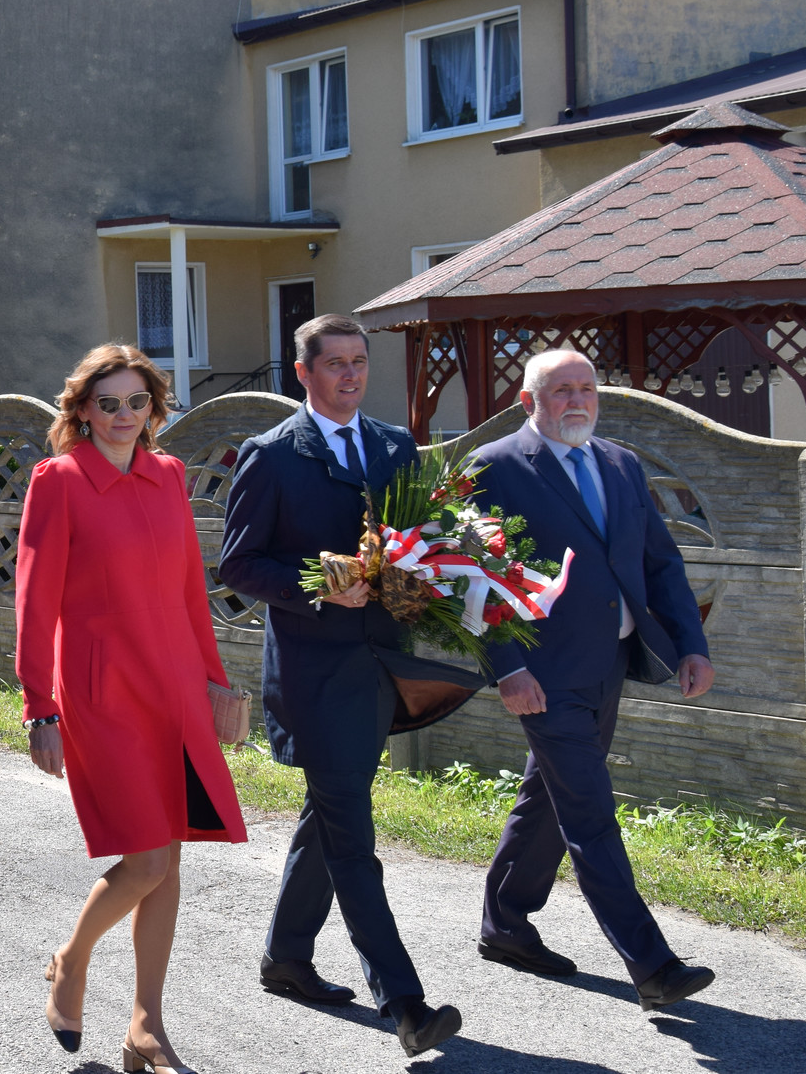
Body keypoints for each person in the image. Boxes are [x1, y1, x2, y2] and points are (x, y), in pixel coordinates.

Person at [217, 314, 482, 1058]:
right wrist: (320, 587)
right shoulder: (272, 456)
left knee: (330, 814)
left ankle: (287, 957)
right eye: (334, 363)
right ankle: (403, 1000)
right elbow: (238, 564)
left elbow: (421, 542)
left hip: (380, 667)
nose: (350, 374)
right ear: (302, 373)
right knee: (352, 831)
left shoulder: (396, 447)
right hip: (311, 669)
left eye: (359, 361)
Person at [16, 345, 251, 1074]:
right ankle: (71, 959)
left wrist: (214, 683)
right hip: (100, 692)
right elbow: (34, 601)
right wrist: (39, 705)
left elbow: (189, 591)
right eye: (109, 403)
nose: (123, 416)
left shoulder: (170, 474)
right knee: (146, 855)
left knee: (170, 852)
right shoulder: (58, 480)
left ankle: (146, 1024)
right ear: (82, 409)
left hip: (175, 685)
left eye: (137, 402)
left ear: (155, 407)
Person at [467, 349, 718, 1010]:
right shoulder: (491, 468)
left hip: (611, 663)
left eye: (587, 388)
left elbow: (661, 564)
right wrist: (508, 668)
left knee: (547, 797)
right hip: (542, 673)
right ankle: (653, 963)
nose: (577, 400)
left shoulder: (621, 463)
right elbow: (472, 582)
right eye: (561, 391)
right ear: (529, 402)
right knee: (590, 810)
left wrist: (691, 643)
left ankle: (505, 924)